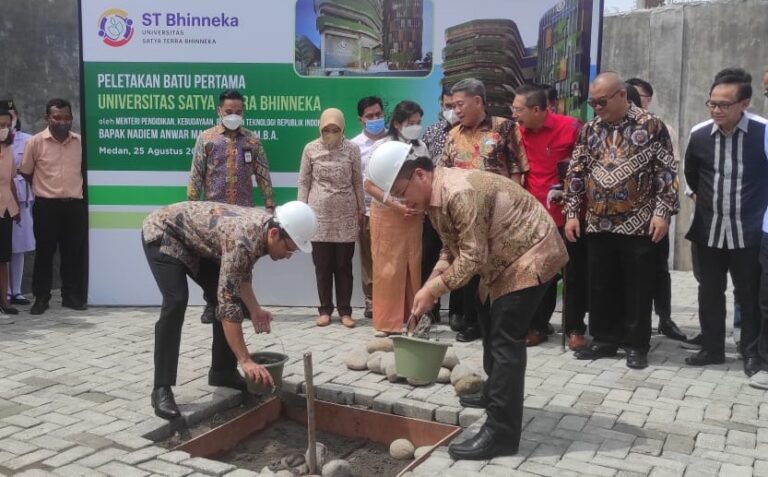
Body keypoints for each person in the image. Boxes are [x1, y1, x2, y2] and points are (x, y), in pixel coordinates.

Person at [366, 143, 568, 460]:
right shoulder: (434, 198)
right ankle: (493, 394)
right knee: (487, 319)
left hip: (530, 253)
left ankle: (501, 433)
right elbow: (451, 248)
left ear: (420, 174)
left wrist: (434, 291)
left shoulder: (457, 192)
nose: (405, 202)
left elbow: (473, 257)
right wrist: (430, 284)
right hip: (502, 259)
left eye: (403, 192)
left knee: (505, 341)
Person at [142, 200, 317, 419]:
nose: (289, 255)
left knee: (233, 298)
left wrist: (254, 309)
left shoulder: (261, 231)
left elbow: (239, 275)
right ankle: (161, 389)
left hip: (196, 240)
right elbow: (227, 301)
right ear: (274, 233)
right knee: (176, 301)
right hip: (164, 232)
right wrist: (245, 359)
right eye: (290, 248)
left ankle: (222, 373)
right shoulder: (243, 240)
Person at [564, 72, 678, 370]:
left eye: (601, 101)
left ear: (621, 96)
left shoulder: (651, 126)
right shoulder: (589, 129)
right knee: (601, 284)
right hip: (598, 220)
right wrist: (572, 213)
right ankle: (604, 339)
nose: (596, 107)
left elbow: (666, 173)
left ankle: (636, 344)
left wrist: (662, 213)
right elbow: (576, 172)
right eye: (592, 102)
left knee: (637, 286)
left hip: (639, 221)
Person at [684, 68, 767, 376]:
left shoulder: (763, 132)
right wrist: (697, 196)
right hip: (709, 229)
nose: (716, 110)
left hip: (749, 231)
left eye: (724, 104)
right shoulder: (699, 133)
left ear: (744, 103)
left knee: (748, 294)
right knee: (709, 291)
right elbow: (691, 173)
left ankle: (750, 353)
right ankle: (712, 348)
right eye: (712, 103)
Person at [439, 78, 529, 343]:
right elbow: (442, 172)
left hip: (498, 215)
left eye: (460, 104)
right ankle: (471, 323)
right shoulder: (453, 134)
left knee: (496, 271)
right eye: (454, 105)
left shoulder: (504, 128)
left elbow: (517, 170)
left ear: (477, 101)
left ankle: (496, 323)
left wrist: (513, 210)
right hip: (464, 217)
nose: (456, 110)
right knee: (469, 270)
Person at [187, 89, 275, 324]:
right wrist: (192, 206)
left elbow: (263, 173)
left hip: (244, 213)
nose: (233, 115)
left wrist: (269, 202)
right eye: (229, 111)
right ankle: (211, 303)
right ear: (219, 111)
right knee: (212, 260)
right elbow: (197, 173)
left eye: (238, 111)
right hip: (214, 213)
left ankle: (245, 304)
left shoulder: (252, 140)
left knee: (244, 259)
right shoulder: (206, 139)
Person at [512, 84, 581, 348]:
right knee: (540, 274)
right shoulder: (516, 133)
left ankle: (575, 328)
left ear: (538, 109)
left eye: (518, 109)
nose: (514, 114)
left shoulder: (571, 128)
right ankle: (537, 325)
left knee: (573, 274)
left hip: (569, 215)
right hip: (534, 218)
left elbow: (584, 167)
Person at [626, 78, 687, 342]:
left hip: (653, 213)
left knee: (659, 268)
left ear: (647, 100)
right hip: (620, 215)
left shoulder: (662, 129)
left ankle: (664, 318)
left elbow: (669, 174)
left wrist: (661, 212)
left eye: (638, 97)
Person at [364, 100, 427, 336]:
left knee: (413, 266)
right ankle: (386, 323)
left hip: (414, 216)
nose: (415, 127)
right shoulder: (381, 146)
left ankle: (412, 320)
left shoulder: (422, 148)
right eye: (411, 123)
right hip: (387, 214)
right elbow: (369, 185)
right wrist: (395, 205)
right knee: (387, 268)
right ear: (398, 123)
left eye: (419, 122)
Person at [298, 108, 364, 328]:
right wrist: (301, 211)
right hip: (319, 217)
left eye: (335, 129)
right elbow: (304, 182)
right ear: (320, 128)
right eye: (327, 129)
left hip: (345, 216)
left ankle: (345, 311)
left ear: (343, 128)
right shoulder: (310, 149)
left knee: (344, 266)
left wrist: (361, 210)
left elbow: (357, 182)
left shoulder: (352, 149)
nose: (331, 133)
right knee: (323, 265)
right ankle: (325, 309)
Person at [20, 98, 87, 315]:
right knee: (45, 253)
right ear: (47, 118)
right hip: (46, 207)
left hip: (74, 206)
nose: (62, 122)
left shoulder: (79, 142)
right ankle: (41, 297)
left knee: (72, 253)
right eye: (57, 117)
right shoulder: (36, 142)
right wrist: (45, 190)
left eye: (67, 117)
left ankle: (70, 296)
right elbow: (27, 172)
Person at [421, 88, 460, 323]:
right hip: (434, 206)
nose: (452, 111)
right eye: (447, 105)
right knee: (429, 256)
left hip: (460, 206)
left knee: (459, 255)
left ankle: (456, 311)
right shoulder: (432, 131)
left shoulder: (469, 133)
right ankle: (430, 307)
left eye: (455, 106)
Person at [350, 96, 388, 319]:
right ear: (361, 119)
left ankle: (391, 298)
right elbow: (353, 180)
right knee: (369, 257)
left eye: (379, 115)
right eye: (370, 116)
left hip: (394, 209)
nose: (375, 119)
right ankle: (372, 300)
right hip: (367, 210)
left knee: (392, 256)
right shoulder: (354, 145)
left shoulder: (395, 140)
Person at [0, 99, 34, 306]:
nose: (6, 126)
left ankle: (17, 291)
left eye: (10, 119)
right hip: (4, 199)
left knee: (19, 245)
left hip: (20, 199)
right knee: (4, 248)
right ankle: (6, 292)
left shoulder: (28, 140)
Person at [0, 110, 21, 318]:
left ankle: (4, 301)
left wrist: (17, 211)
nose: (3, 129)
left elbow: (12, 181)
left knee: (3, 257)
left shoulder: (9, 151)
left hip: (5, 210)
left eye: (6, 125)